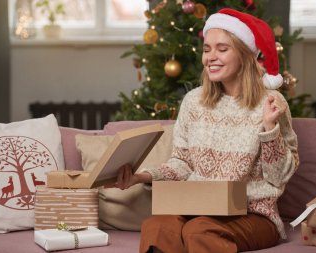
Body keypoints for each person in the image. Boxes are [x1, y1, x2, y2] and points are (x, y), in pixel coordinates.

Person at [114, 8, 299, 253]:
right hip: (197, 207)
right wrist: (140, 177)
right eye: (207, 49)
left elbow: (279, 176)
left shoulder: (271, 102)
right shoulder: (193, 101)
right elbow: (182, 163)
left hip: (254, 214)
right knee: (158, 226)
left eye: (222, 49)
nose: (210, 57)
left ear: (244, 55)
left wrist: (269, 129)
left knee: (200, 229)